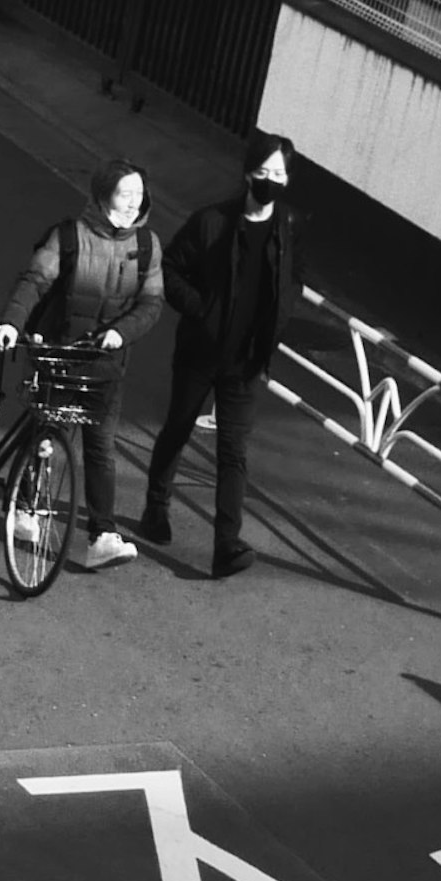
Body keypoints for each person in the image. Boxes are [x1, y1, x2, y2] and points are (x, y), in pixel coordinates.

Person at [0, 157, 164, 572]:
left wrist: (121, 332)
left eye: (138, 195)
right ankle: (26, 507)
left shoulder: (146, 246)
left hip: (106, 363)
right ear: (103, 195)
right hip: (56, 352)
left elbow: (151, 302)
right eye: (125, 194)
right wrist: (11, 323)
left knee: (101, 447)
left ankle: (101, 536)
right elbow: (35, 281)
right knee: (48, 436)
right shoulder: (68, 237)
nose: (132, 203)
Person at [140, 139, 297, 579]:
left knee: (234, 453)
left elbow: (293, 280)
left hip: (247, 363)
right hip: (201, 353)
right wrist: (201, 311)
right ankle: (156, 507)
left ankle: (226, 545)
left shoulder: (289, 228)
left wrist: (276, 324)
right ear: (248, 174)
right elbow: (169, 268)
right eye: (264, 173)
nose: (272, 182)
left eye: (280, 175)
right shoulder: (211, 222)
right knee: (178, 427)